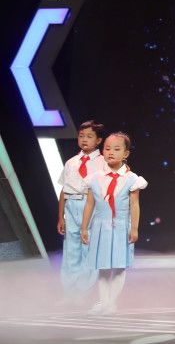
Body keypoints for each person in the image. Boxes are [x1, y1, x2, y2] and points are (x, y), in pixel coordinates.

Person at [80, 132, 146, 315]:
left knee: (118, 265)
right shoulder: (94, 178)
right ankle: (104, 302)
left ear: (125, 154)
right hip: (100, 227)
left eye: (116, 149)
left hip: (121, 227)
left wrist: (134, 228)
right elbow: (90, 204)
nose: (110, 152)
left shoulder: (132, 179)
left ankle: (111, 303)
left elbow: (134, 205)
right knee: (102, 266)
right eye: (107, 148)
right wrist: (84, 227)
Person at [58, 120, 107, 297]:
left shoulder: (104, 162)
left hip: (91, 205)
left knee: (89, 248)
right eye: (81, 136)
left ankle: (84, 291)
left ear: (99, 140)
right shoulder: (71, 162)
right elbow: (64, 190)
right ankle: (69, 291)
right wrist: (61, 217)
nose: (84, 139)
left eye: (89, 136)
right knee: (71, 250)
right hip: (71, 206)